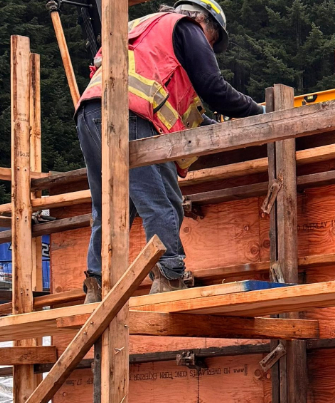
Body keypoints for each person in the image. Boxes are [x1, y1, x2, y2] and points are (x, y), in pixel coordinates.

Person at [77, 0, 265, 302]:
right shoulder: (186, 27)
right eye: (211, 42)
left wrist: (211, 126)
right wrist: (258, 112)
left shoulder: (144, 30)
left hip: (90, 113)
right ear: (205, 23)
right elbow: (214, 88)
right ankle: (169, 276)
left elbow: (185, 111)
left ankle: (96, 286)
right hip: (130, 115)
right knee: (163, 200)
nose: (206, 48)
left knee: (111, 208)